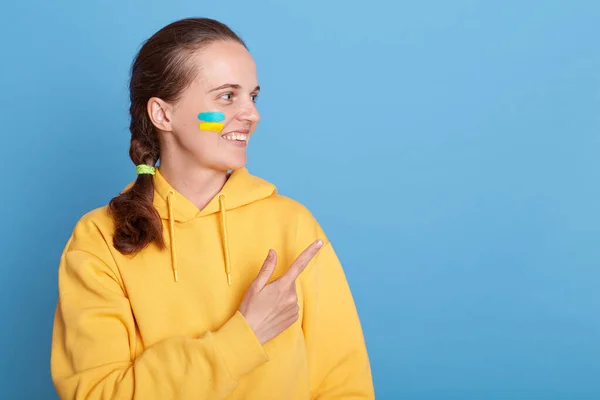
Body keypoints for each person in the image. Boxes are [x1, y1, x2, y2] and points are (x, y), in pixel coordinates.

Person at [50, 17, 374, 399]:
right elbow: (98, 393)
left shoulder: (293, 226)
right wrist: (243, 338)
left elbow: (344, 385)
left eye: (252, 96)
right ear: (163, 114)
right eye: (226, 96)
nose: (251, 114)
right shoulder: (100, 238)